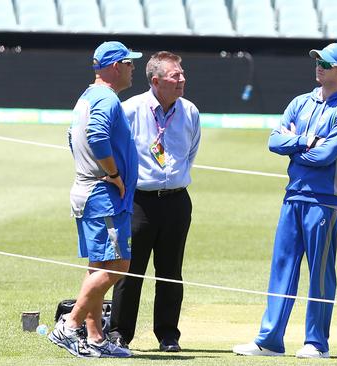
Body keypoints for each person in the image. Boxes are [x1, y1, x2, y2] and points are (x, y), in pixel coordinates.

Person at [233, 43, 337, 359]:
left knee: (320, 273)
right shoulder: (300, 102)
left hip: (327, 199)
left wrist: (296, 148)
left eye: (326, 63)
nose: (319, 66)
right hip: (294, 195)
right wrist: (304, 140)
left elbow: (325, 156)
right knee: (282, 268)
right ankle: (270, 340)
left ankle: (316, 344)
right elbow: (275, 141)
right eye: (317, 60)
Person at [48, 41, 142, 358]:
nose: (133, 68)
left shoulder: (88, 96)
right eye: (129, 63)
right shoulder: (106, 98)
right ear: (116, 66)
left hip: (90, 192)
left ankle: (95, 336)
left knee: (99, 264)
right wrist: (114, 175)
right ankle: (69, 325)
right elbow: (98, 136)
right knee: (119, 266)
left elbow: (71, 137)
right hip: (103, 196)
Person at [108, 51, 201, 352]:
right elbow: (112, 147)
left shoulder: (190, 112)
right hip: (138, 203)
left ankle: (168, 335)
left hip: (176, 201)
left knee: (171, 272)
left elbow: (190, 154)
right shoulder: (131, 109)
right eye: (176, 76)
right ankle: (120, 333)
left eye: (182, 74)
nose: (182, 80)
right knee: (129, 270)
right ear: (156, 80)